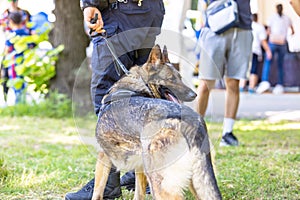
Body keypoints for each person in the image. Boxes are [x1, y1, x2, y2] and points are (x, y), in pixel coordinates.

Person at [65, 0, 165, 200]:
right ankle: (139, 175)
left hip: (120, 14)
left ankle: (109, 183)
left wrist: (90, 4)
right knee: (140, 98)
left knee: (107, 101)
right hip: (150, 12)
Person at [196, 0, 252, 146]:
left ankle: (227, 133)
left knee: (233, 82)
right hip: (215, 26)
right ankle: (195, 132)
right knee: (205, 83)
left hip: (242, 27)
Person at [256, 4, 294, 94]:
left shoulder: (274, 18)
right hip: (280, 42)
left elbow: (268, 31)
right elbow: (292, 31)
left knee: (270, 63)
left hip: (276, 42)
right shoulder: (284, 18)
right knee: (277, 64)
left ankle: (269, 82)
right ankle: (276, 84)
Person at [0, 0, 30, 105]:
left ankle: (18, 104)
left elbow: (7, 50)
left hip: (13, 63)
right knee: (22, 83)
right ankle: (22, 102)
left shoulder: (11, 36)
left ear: (10, 22)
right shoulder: (26, 33)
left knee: (15, 83)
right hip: (24, 62)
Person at [239, 13, 272, 93]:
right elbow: (263, 41)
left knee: (244, 69)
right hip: (255, 51)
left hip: (244, 50)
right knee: (253, 70)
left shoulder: (245, 26)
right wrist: (268, 51)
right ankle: (251, 87)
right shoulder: (259, 27)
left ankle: (241, 87)